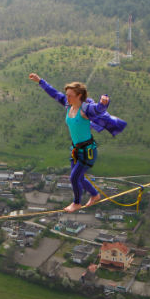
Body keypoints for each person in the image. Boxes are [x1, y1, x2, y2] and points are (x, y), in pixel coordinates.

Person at [28, 73, 126, 212]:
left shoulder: (85, 109)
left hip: (88, 152)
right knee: (79, 178)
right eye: (67, 95)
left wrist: (104, 103)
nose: (67, 97)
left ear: (79, 95)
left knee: (74, 178)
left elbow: (98, 109)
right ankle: (95, 194)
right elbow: (54, 93)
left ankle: (77, 203)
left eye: (70, 95)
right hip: (76, 150)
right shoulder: (69, 106)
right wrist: (40, 81)